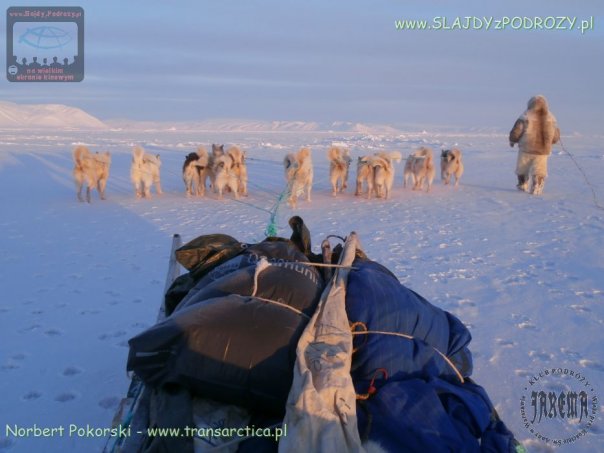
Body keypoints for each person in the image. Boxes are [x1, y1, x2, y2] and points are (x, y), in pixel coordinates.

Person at [509, 95, 560, 195]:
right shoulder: (551, 118)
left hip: (526, 148)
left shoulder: (525, 116)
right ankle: (538, 186)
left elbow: (516, 131)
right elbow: (555, 135)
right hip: (543, 150)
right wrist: (552, 141)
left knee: (522, 168)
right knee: (540, 170)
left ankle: (522, 184)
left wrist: (513, 140)